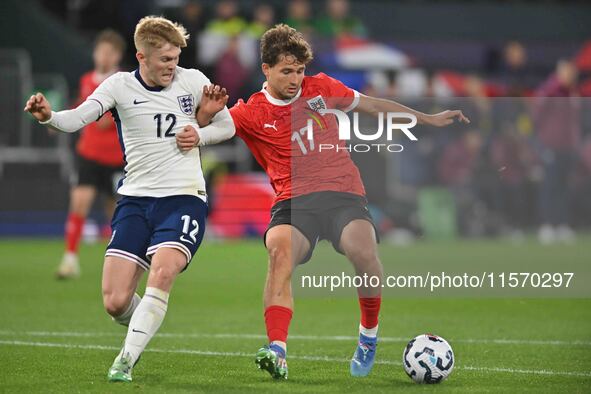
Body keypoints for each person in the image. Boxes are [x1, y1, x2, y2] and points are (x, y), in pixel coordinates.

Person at [187, 24, 469, 379]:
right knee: (279, 251)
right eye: (286, 71)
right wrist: (203, 115)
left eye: (299, 70)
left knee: (363, 251)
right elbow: (202, 136)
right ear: (266, 69)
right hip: (293, 202)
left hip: (342, 193)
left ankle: (368, 336)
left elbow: (372, 105)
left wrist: (426, 117)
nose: (295, 78)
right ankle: (277, 350)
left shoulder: (321, 87)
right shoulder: (250, 113)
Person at [24, 16, 234, 382]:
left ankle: (125, 360)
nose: (173, 66)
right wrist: (49, 117)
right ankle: (147, 318)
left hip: (184, 197)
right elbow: (77, 118)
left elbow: (227, 125)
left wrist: (199, 135)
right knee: (116, 302)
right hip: (135, 201)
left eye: (175, 58)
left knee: (163, 272)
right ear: (141, 56)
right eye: (165, 59)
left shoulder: (194, 80)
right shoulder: (119, 85)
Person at [55, 29, 126, 279]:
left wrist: (87, 114)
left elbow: (105, 122)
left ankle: (122, 263)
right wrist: (59, 121)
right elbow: (81, 107)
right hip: (88, 154)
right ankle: (70, 259)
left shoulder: (122, 82)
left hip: (117, 157)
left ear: (118, 55)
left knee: (117, 213)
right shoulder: (87, 80)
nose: (104, 56)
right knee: (79, 203)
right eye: (101, 51)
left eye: (110, 52)